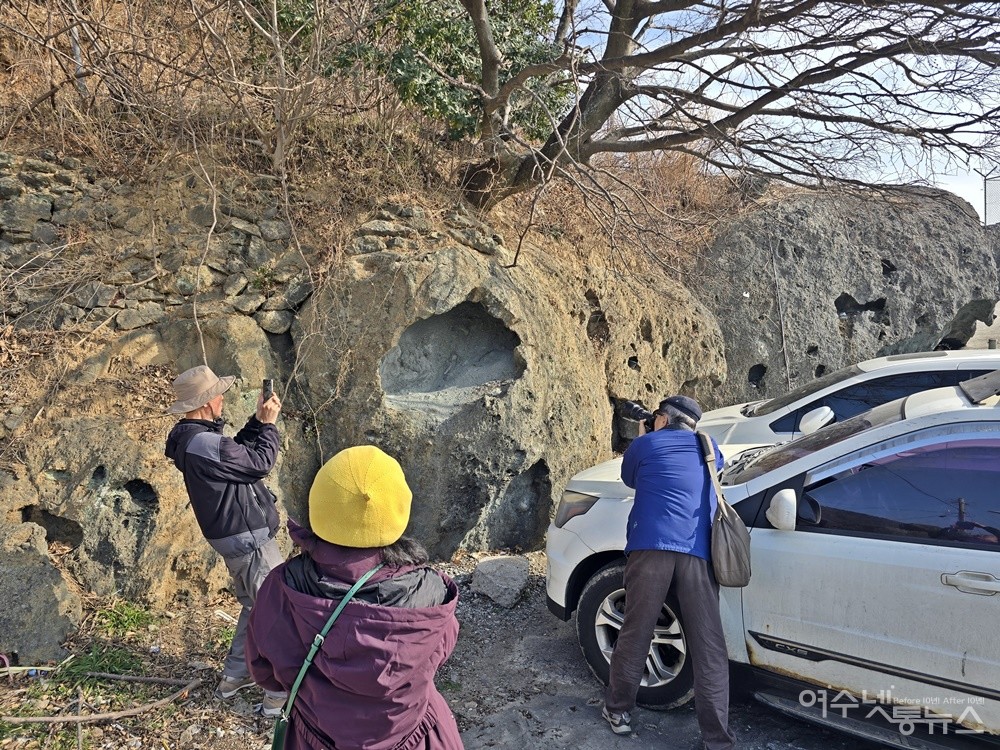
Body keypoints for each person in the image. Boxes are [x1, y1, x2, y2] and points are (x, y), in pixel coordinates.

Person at [245, 445, 463, 750]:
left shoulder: (282, 588)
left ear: (319, 506)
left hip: (315, 736)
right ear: (398, 509)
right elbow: (440, 652)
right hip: (416, 738)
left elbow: (263, 670)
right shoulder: (431, 590)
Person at [603, 395, 737, 750]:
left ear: (661, 418)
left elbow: (631, 478)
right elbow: (714, 471)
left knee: (636, 631)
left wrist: (643, 433)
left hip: (649, 549)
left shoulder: (645, 444)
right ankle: (717, 740)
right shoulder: (710, 447)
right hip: (697, 553)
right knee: (709, 646)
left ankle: (617, 712)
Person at [163, 364, 287, 715]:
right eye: (218, 394)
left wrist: (257, 422)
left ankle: (236, 676)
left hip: (235, 539)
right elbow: (259, 462)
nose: (222, 400)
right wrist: (270, 425)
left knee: (255, 606)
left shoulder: (193, 439)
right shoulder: (203, 443)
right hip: (250, 543)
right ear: (205, 403)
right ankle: (277, 696)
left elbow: (233, 453)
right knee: (279, 613)